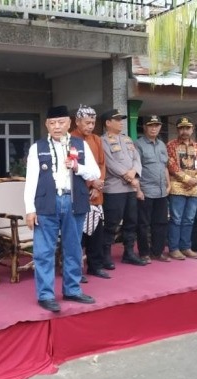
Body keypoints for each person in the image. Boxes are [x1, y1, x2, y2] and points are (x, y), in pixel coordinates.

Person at [24, 105, 100, 313]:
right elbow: (31, 181)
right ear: (46, 125)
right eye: (52, 123)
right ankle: (46, 295)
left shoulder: (80, 145)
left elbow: (93, 174)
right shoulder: (37, 148)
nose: (56, 127)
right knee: (44, 251)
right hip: (47, 203)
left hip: (73, 202)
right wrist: (30, 209)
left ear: (68, 123)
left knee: (73, 247)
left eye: (61, 122)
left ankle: (72, 289)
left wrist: (77, 167)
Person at [101, 109, 145, 268]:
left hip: (130, 189)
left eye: (121, 119)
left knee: (131, 222)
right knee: (111, 223)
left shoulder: (127, 139)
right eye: (117, 119)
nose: (121, 122)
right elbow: (110, 163)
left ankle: (129, 252)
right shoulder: (103, 141)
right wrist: (128, 176)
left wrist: (134, 173)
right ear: (108, 123)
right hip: (114, 189)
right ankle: (105, 255)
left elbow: (137, 159)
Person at [71, 105, 111, 281]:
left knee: (96, 233)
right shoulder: (70, 140)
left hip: (97, 193)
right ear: (77, 122)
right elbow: (72, 167)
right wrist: (90, 184)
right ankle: (76, 270)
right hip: (79, 192)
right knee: (77, 234)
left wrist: (97, 185)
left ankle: (95, 266)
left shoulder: (96, 139)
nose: (90, 126)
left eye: (93, 123)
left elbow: (102, 164)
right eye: (87, 122)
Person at [166, 116, 197, 260]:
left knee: (189, 219)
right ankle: (174, 248)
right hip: (177, 186)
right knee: (176, 219)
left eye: (187, 128)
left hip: (194, 187)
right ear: (177, 130)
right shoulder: (171, 145)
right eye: (182, 128)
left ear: (192, 129)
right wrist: (186, 179)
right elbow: (171, 165)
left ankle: (186, 247)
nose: (185, 131)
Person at [134, 115, 171, 263]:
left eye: (157, 125)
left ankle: (158, 251)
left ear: (160, 127)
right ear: (145, 127)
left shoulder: (162, 145)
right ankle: (144, 253)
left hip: (162, 191)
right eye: (151, 125)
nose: (154, 128)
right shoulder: (138, 144)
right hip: (146, 190)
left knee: (161, 223)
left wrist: (168, 185)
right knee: (143, 224)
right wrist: (138, 190)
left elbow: (165, 167)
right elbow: (136, 169)